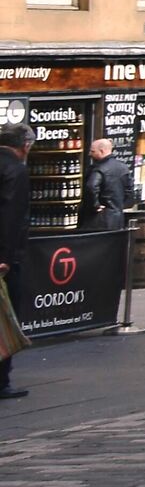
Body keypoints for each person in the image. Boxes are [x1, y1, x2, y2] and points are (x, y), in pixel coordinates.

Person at [0, 124, 31, 400]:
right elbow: (11, 216)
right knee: (6, 318)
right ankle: (1, 379)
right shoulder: (16, 170)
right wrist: (6, 257)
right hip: (5, 258)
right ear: (25, 146)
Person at [82, 136, 134, 231]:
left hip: (98, 218)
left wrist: (95, 205)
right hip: (117, 216)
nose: (89, 154)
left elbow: (91, 186)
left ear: (101, 151)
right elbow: (129, 190)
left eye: (93, 151)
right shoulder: (123, 167)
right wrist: (119, 205)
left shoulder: (98, 169)